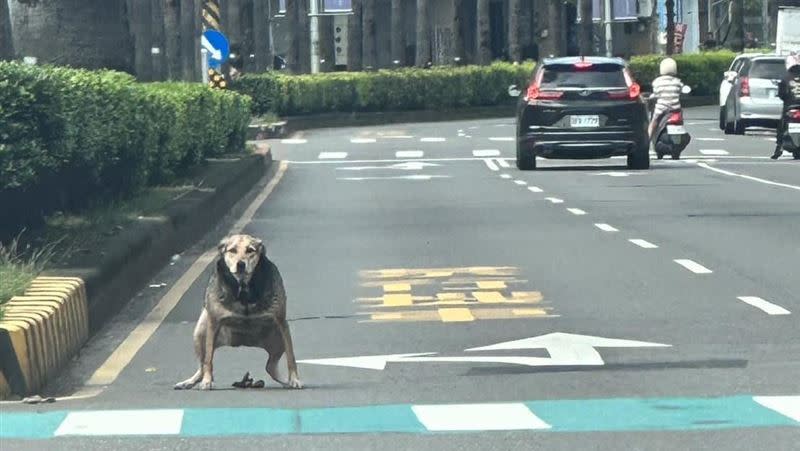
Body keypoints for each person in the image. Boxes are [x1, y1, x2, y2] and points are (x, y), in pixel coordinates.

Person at [772, 53, 800, 159]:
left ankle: (779, 147)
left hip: (790, 105)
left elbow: (782, 94)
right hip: (791, 106)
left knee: (782, 125)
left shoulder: (786, 77)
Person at [649, 58, 684, 139]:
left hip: (661, 108)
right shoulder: (677, 81)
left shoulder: (657, 82)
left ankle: (647, 142)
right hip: (675, 108)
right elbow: (679, 92)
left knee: (653, 123)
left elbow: (656, 94)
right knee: (680, 120)